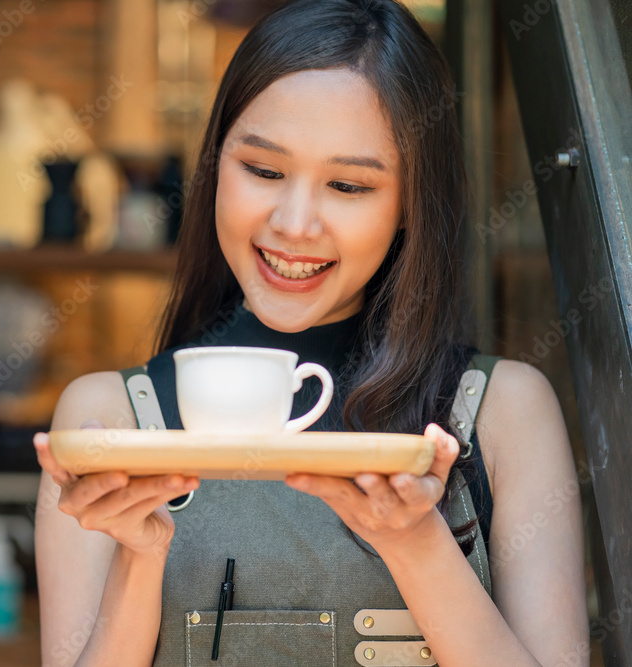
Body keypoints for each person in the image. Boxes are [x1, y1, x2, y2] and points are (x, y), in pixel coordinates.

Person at [32, 1, 590, 665]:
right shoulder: (110, 421)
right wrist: (141, 552)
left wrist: (416, 543)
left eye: (349, 185)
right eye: (264, 171)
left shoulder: (501, 412)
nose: (295, 223)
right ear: (214, 167)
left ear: (411, 200)